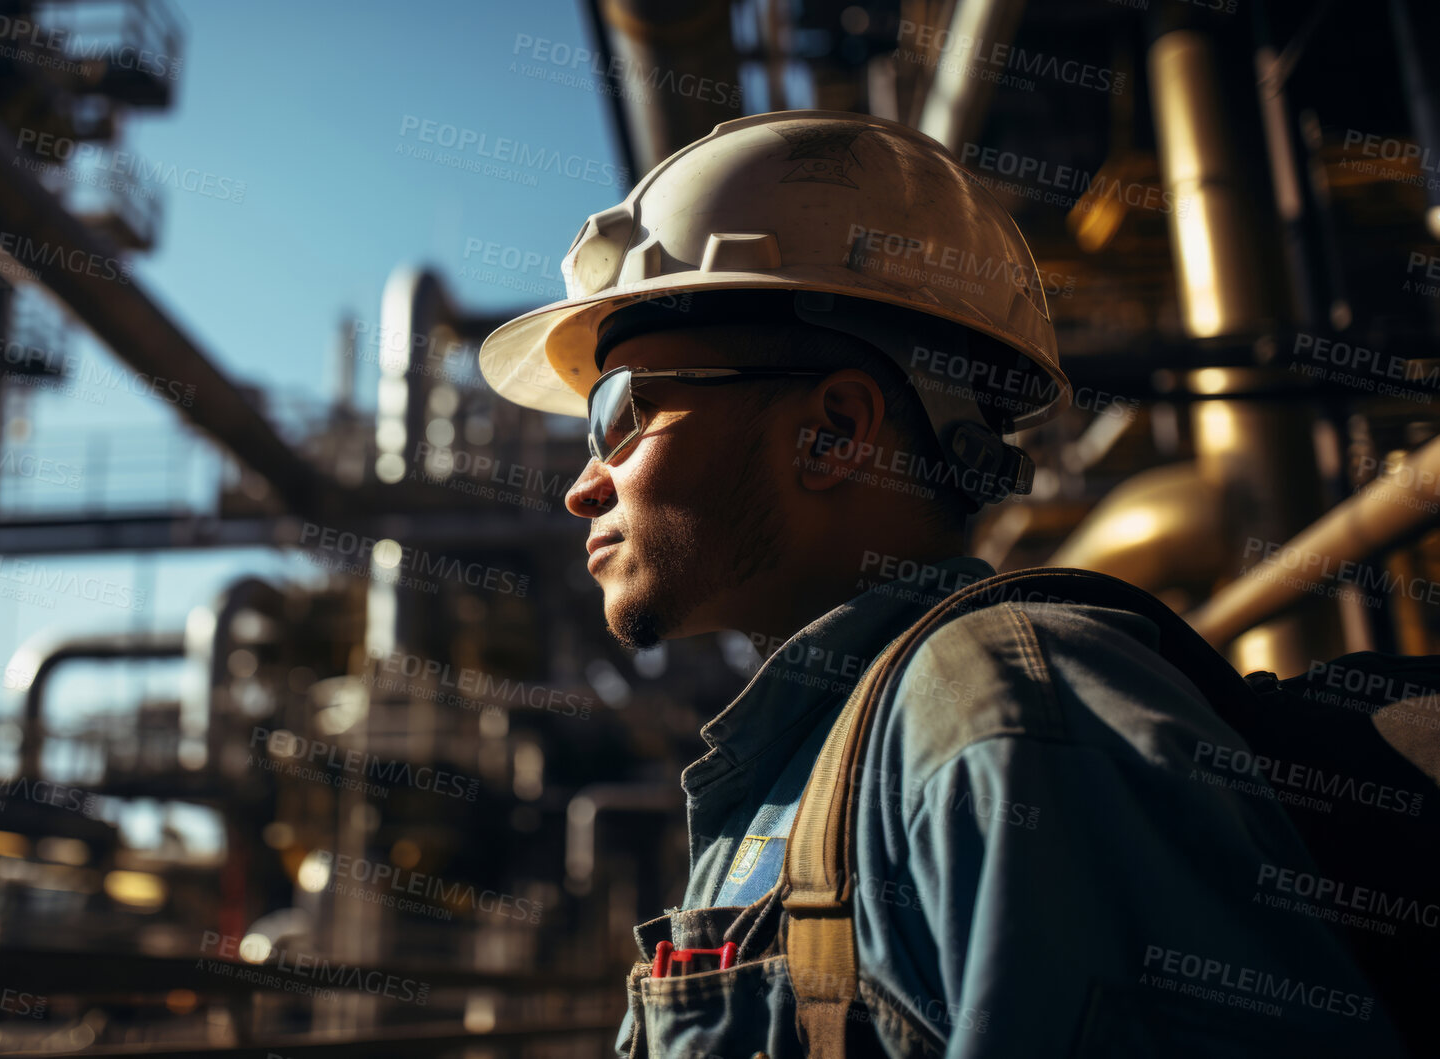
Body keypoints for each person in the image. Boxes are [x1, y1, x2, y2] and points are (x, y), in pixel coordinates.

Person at [479, 111, 1404, 1058]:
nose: (582, 482)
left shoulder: (992, 720)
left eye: (622, 411)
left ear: (834, 430)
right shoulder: (806, 763)